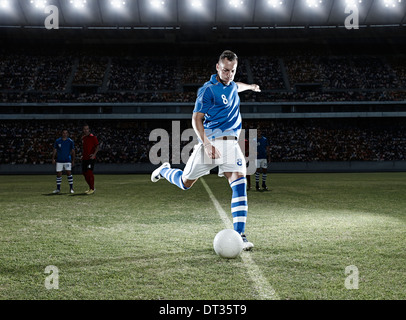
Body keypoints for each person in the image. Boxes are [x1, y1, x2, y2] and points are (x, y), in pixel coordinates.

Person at [151, 50, 261, 251]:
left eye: (233, 71)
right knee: (186, 183)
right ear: (218, 67)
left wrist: (251, 87)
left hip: (231, 145)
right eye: (226, 70)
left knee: (239, 183)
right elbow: (196, 119)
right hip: (211, 142)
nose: (229, 74)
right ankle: (164, 170)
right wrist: (207, 144)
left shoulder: (233, 85)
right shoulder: (208, 90)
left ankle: (240, 235)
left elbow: (238, 87)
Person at [52, 129, 75, 194]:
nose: (64, 134)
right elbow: (55, 150)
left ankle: (71, 188)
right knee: (59, 174)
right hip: (59, 160)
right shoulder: (58, 141)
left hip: (67, 160)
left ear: (67, 134)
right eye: (63, 133)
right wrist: (53, 158)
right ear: (61, 134)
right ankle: (58, 189)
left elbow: (73, 151)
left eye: (66, 133)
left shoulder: (70, 141)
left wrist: (73, 160)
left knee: (69, 173)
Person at [82, 124, 99, 195]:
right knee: (84, 174)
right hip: (84, 158)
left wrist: (94, 155)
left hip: (91, 158)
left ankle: (92, 188)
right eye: (84, 129)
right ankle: (91, 188)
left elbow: (97, 147)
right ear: (83, 130)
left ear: (89, 130)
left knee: (89, 172)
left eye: (87, 129)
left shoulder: (93, 137)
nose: (86, 130)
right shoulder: (83, 138)